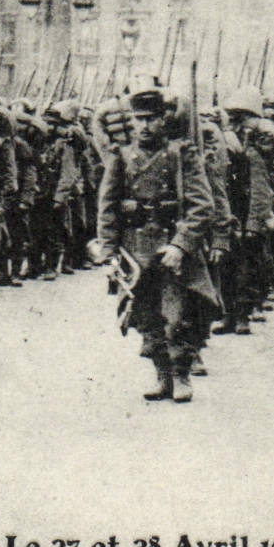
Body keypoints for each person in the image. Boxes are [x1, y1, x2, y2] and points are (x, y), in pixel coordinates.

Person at [93, 83, 218, 403]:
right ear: (132, 121)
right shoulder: (121, 157)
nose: (146, 125)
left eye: (152, 119)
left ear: (164, 119)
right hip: (135, 251)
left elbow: (202, 205)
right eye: (140, 119)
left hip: (172, 249)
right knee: (144, 315)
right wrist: (108, 250)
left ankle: (181, 374)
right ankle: (162, 375)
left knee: (177, 315)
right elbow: (107, 207)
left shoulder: (182, 153)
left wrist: (180, 245)